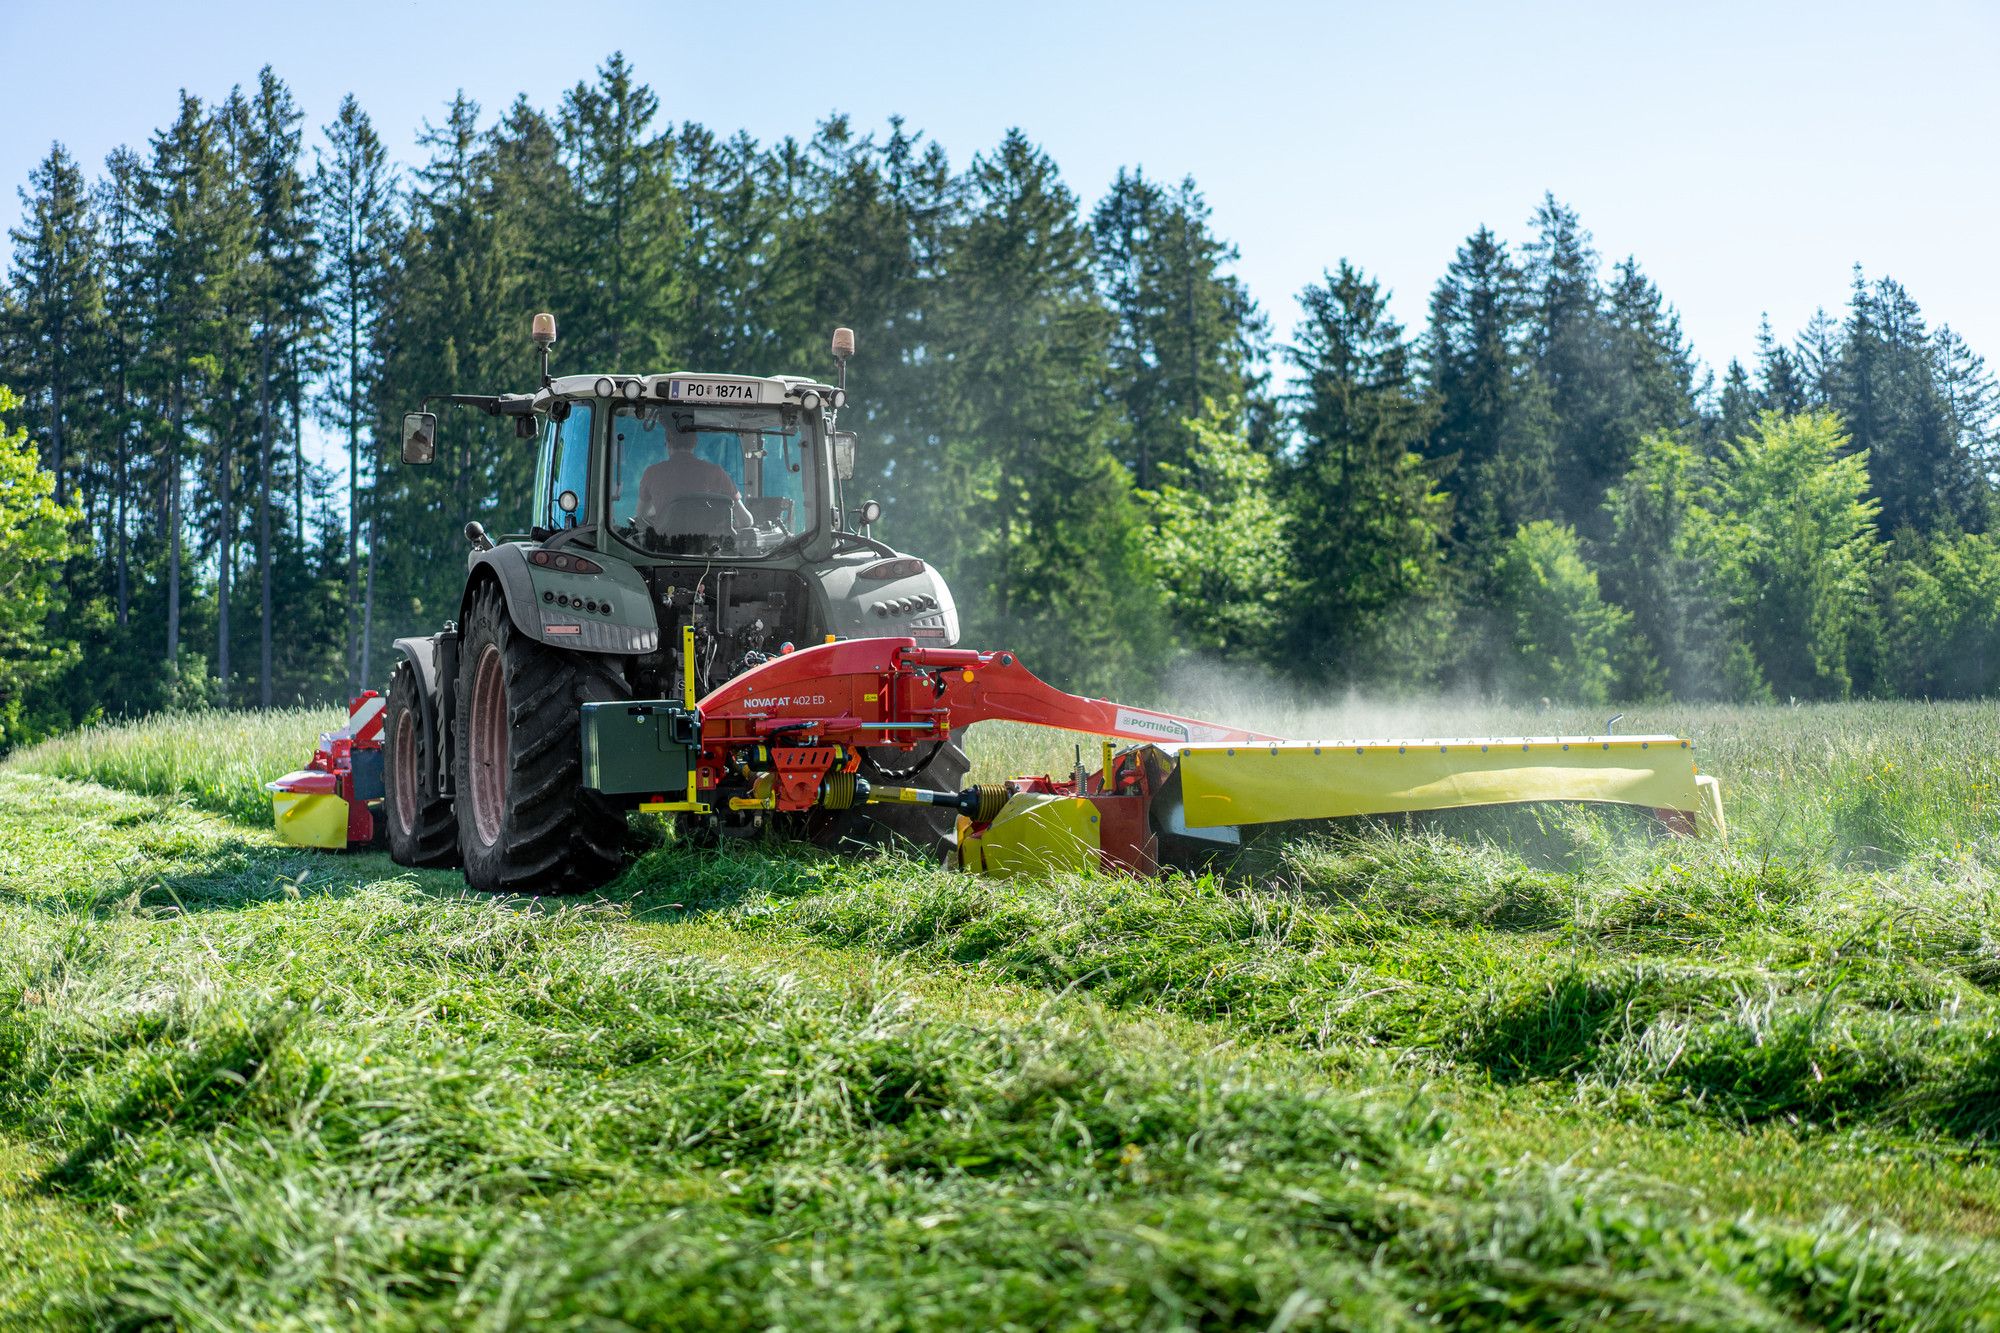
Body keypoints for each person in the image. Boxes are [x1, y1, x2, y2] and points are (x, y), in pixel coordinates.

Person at [637, 431, 754, 539]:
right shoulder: (716, 472)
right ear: (695, 443)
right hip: (707, 554)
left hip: (664, 552)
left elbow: (641, 517)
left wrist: (663, 509)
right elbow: (746, 521)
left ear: (667, 443)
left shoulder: (652, 473)